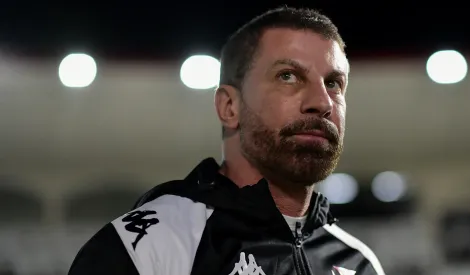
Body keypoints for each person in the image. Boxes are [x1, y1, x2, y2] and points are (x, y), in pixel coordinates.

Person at [68, 6, 385, 275]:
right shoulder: (145, 250)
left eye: (333, 83)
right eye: (288, 75)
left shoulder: (360, 264)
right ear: (229, 107)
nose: (323, 102)